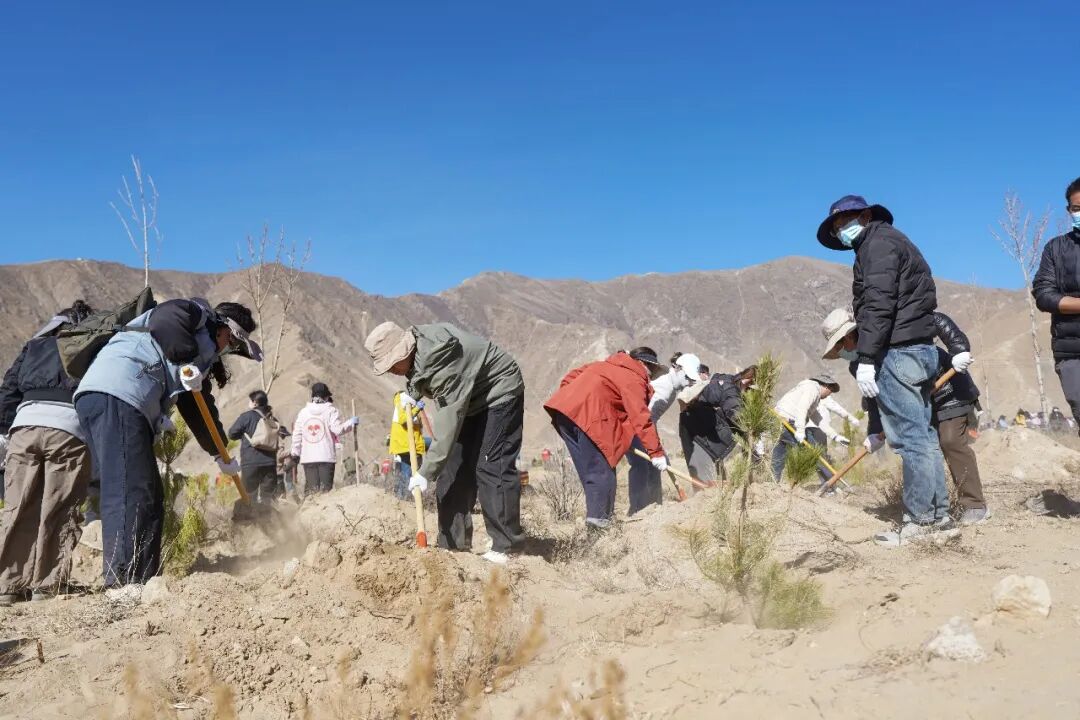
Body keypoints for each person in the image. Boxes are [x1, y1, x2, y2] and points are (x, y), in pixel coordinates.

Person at [74, 298, 262, 587]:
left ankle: (140, 581)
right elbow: (166, 319)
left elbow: (200, 410)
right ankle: (125, 583)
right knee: (133, 492)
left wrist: (220, 453)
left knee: (144, 492)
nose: (229, 350)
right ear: (224, 328)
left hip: (110, 397)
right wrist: (187, 359)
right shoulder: (193, 313)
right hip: (120, 393)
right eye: (233, 343)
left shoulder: (195, 355)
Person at [817, 195, 950, 546]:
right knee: (924, 438)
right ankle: (939, 516)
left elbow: (878, 305)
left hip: (899, 350)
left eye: (844, 223)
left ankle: (920, 520)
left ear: (865, 215)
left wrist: (867, 358)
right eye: (836, 228)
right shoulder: (892, 241)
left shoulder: (876, 246)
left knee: (910, 440)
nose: (841, 231)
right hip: (920, 347)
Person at [365, 321, 525, 565]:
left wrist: (425, 472)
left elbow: (448, 423)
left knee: (491, 465)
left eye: (391, 364)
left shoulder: (443, 362)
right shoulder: (420, 350)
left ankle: (507, 547)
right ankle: (453, 544)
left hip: (499, 391)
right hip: (470, 399)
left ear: (404, 351)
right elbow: (419, 373)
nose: (390, 371)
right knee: (452, 470)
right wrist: (414, 392)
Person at [822, 307, 990, 525]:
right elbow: (875, 399)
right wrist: (873, 432)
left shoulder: (887, 331)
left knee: (950, 441)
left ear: (851, 334)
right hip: (918, 403)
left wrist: (958, 349)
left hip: (949, 389)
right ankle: (939, 512)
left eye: (840, 345)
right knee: (925, 447)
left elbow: (934, 319)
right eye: (837, 348)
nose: (841, 351)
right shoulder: (858, 366)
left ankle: (974, 505)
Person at [0, 301, 94, 605]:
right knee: (59, 507)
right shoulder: (90, 345)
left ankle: (7, 587)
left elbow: (8, 389)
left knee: (17, 507)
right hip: (68, 429)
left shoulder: (35, 345)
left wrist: (5, 428)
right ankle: (46, 585)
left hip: (24, 428)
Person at [544, 348, 668, 530]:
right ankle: (600, 529)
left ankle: (598, 519)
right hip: (590, 418)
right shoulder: (632, 376)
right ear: (642, 363)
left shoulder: (603, 365)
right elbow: (641, 417)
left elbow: (570, 378)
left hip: (566, 414)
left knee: (591, 474)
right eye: (651, 368)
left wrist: (578, 400)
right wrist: (656, 453)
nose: (650, 375)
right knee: (602, 474)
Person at [624, 352, 701, 514]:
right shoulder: (664, 388)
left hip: (645, 429)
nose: (689, 383)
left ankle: (654, 505)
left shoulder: (672, 388)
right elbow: (643, 418)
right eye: (687, 378)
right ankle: (639, 509)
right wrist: (654, 448)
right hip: (634, 429)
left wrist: (656, 446)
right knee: (642, 466)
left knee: (654, 467)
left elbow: (652, 420)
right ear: (678, 370)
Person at [1032, 176, 1080, 435]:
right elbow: (1043, 294)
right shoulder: (1056, 249)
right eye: (1076, 208)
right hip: (1072, 351)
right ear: (1069, 211)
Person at [680, 365, 757, 486]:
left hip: (698, 426)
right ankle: (700, 501)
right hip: (698, 432)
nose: (749, 394)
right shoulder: (731, 391)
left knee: (707, 472)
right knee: (702, 479)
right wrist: (752, 427)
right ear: (748, 381)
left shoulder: (729, 380)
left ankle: (705, 494)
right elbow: (736, 415)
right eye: (749, 390)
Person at [771, 374, 842, 486]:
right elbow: (802, 408)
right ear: (826, 386)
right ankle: (831, 486)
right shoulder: (812, 389)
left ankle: (773, 482)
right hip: (788, 421)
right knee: (814, 452)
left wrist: (834, 435)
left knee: (780, 451)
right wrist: (800, 430)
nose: (830, 394)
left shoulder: (810, 390)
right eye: (831, 391)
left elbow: (817, 418)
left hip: (779, 419)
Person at [290, 383, 358, 495]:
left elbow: (297, 435)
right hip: (326, 457)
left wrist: (295, 452)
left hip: (308, 458)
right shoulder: (331, 411)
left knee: (312, 492)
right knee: (325, 493)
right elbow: (338, 430)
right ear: (326, 397)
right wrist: (351, 423)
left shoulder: (303, 413)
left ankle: (309, 511)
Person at [227, 390, 282, 506]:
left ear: (255, 403)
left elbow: (232, 434)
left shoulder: (246, 417)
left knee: (248, 496)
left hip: (250, 463)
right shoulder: (273, 419)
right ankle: (269, 522)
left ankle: (251, 522)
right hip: (270, 463)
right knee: (267, 497)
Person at [387, 390, 432, 500]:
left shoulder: (410, 404)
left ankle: (404, 498)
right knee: (407, 474)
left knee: (407, 474)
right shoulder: (403, 401)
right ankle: (404, 499)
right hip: (406, 445)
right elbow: (403, 419)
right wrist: (416, 409)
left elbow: (416, 426)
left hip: (411, 445)